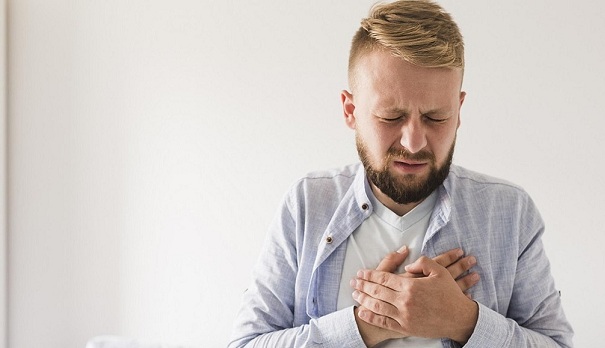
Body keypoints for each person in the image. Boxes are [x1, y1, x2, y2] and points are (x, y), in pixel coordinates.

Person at [228, 0, 573, 347]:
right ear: (351, 110)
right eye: (391, 117)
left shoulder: (509, 212)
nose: (413, 142)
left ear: (459, 111)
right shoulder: (306, 204)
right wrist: (369, 324)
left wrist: (463, 320)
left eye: (436, 117)